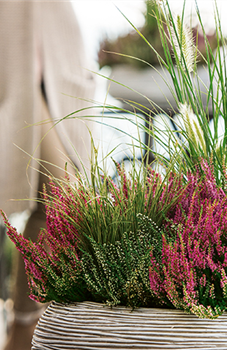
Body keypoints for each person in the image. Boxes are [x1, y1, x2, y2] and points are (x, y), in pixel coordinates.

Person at [0, 2, 96, 350]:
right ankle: (23, 326)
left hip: (54, 57)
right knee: (57, 199)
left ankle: (24, 324)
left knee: (59, 204)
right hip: (10, 52)